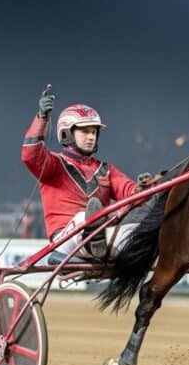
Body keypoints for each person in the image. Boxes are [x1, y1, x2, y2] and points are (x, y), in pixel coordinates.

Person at [21, 86, 140, 260]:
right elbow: (30, 155)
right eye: (85, 132)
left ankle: (97, 241)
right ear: (67, 133)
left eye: (94, 132)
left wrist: (144, 188)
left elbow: (131, 192)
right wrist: (42, 118)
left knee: (137, 227)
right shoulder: (54, 164)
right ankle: (75, 247)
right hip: (65, 239)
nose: (91, 137)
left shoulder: (106, 169)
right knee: (83, 218)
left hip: (100, 236)